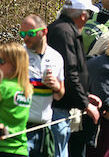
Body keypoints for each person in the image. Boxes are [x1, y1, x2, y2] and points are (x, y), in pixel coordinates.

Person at [47, 0, 101, 157]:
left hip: (60, 108)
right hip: (56, 110)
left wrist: (85, 95)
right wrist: (86, 104)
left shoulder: (61, 29)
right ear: (84, 15)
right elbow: (69, 72)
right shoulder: (65, 33)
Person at [21, 15, 65, 157]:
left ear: (44, 32)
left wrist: (56, 86)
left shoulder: (56, 57)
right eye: (23, 34)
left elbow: (59, 95)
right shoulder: (18, 55)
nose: (25, 38)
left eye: (31, 34)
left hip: (44, 128)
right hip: (21, 128)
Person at [0, 42, 33, 157]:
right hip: (21, 150)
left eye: (1, 61)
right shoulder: (27, 89)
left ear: (15, 64)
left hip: (2, 148)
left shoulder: (3, 87)